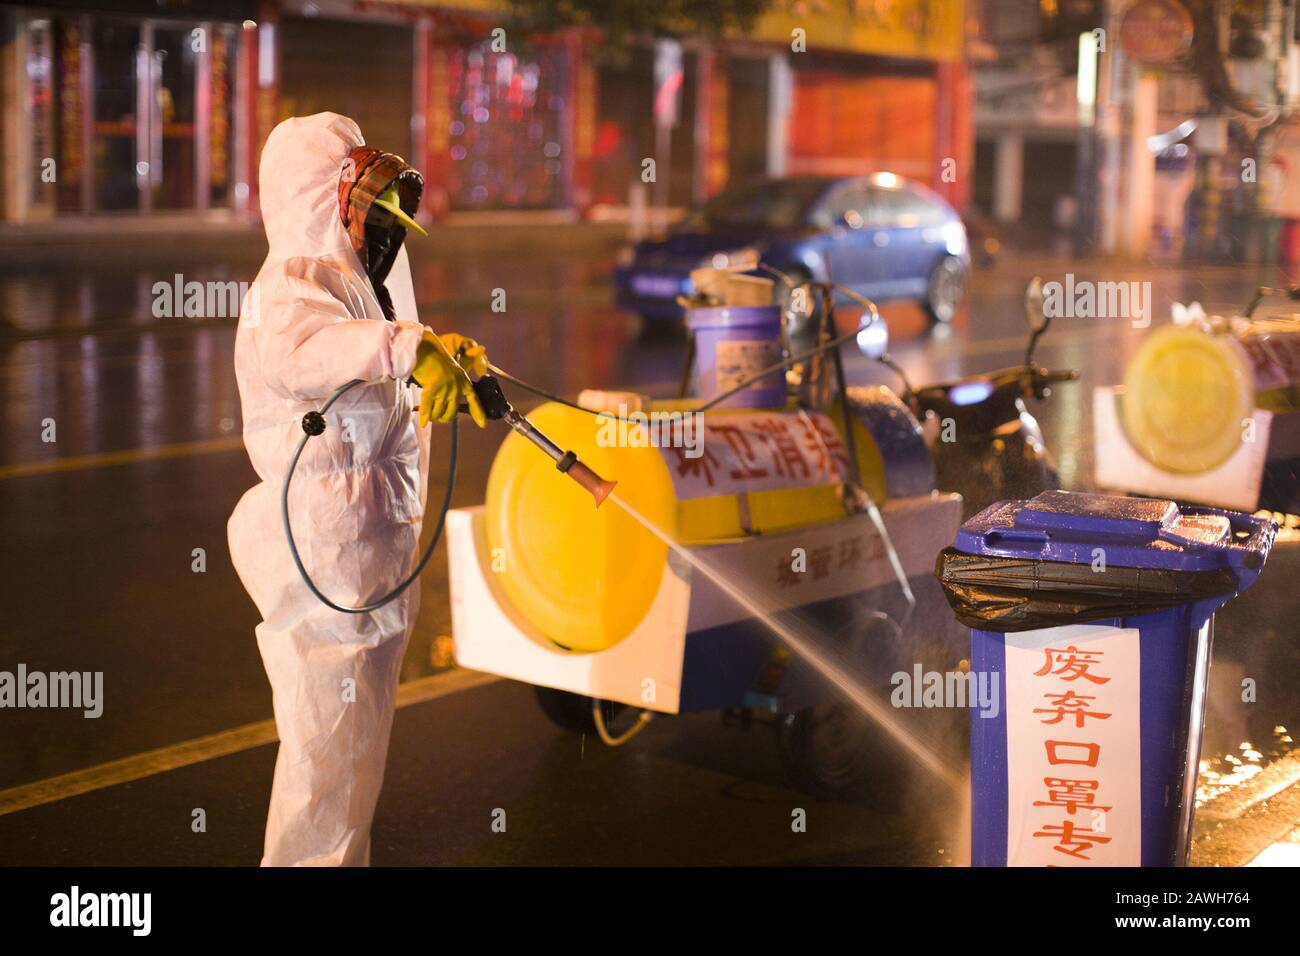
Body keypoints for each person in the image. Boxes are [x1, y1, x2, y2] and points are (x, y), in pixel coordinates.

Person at [228, 112, 486, 866]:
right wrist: (407, 347)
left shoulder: (359, 282)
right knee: (325, 758)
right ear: (316, 195)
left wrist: (439, 351)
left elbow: (383, 368)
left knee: (350, 757)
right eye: (358, 194)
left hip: (369, 553)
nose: (374, 213)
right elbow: (306, 354)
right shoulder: (292, 288)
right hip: (323, 553)